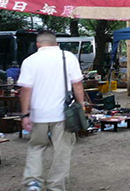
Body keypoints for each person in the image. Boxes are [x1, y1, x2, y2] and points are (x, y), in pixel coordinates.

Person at [18, 30, 85, 191]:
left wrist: (25, 114)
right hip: (63, 114)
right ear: (56, 43)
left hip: (38, 113)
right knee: (62, 150)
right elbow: (77, 84)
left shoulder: (29, 61)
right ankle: (56, 185)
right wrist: (81, 104)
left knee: (36, 146)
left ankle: (33, 182)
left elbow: (26, 90)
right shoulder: (68, 57)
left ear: (38, 44)